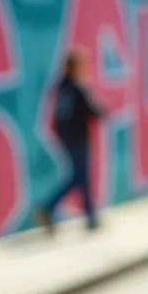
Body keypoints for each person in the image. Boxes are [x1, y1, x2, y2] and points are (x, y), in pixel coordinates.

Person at [38, 48, 104, 233]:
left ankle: (91, 217)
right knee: (80, 177)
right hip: (79, 138)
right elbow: (93, 111)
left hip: (66, 138)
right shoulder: (77, 88)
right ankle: (48, 206)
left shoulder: (61, 87)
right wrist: (102, 110)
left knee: (81, 177)